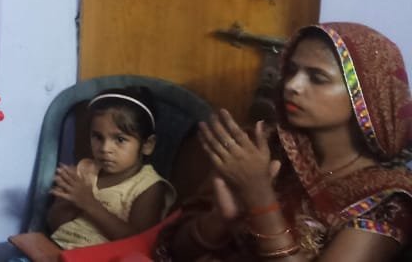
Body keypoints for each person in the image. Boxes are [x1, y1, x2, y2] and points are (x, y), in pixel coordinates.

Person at [159, 23, 412, 261]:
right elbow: (174, 251)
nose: (292, 85)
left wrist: (259, 197)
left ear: (365, 97)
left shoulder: (387, 199)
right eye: (291, 70)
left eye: (317, 77)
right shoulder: (261, 149)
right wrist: (219, 219)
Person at [47, 88, 176, 249]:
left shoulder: (148, 186)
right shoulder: (85, 169)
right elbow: (54, 224)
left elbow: (140, 244)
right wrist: (67, 200)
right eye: (98, 137)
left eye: (120, 139)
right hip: (57, 248)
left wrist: (88, 203)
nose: (105, 148)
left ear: (147, 145)